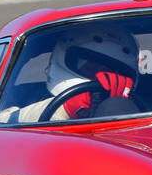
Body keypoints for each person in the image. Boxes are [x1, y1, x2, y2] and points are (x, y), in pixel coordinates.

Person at [9, 27, 139, 123]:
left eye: (111, 70)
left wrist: (126, 110)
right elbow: (3, 121)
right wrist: (65, 109)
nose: (101, 75)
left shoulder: (147, 106)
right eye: (91, 65)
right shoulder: (25, 96)